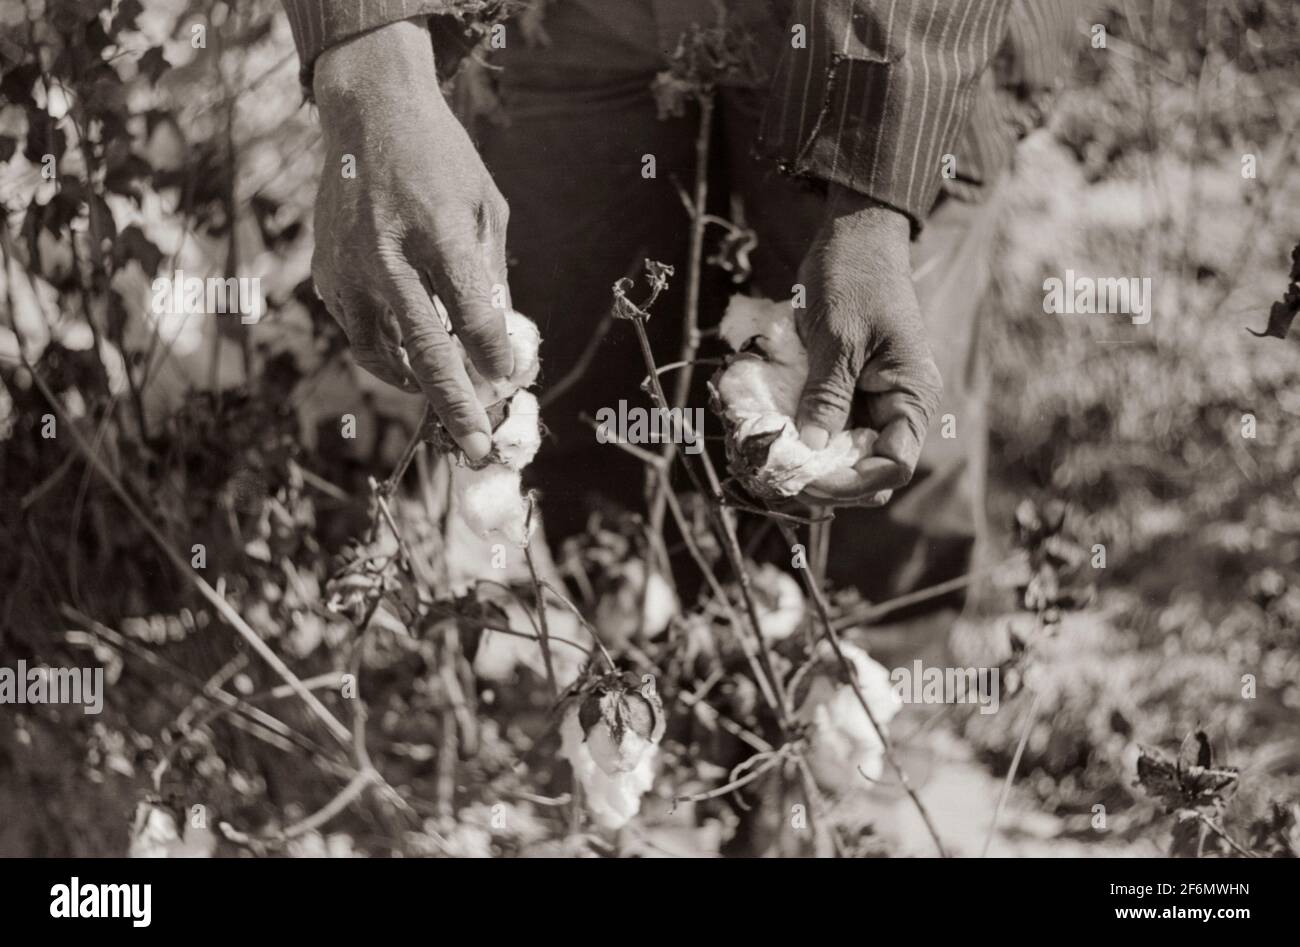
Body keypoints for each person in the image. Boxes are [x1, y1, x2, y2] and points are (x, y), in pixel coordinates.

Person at [281, 0, 1079, 652]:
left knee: (865, 444)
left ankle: (844, 779)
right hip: (555, 27)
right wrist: (371, 67)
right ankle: (668, 722)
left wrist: (873, 194)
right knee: (590, 398)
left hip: (892, 30)